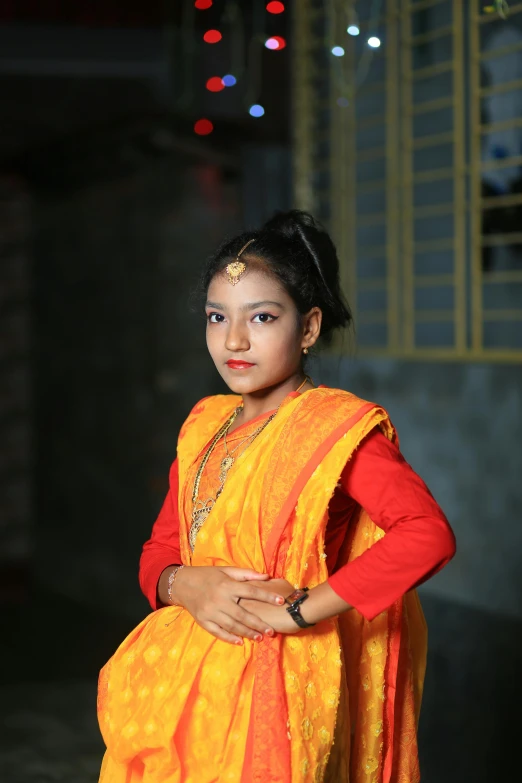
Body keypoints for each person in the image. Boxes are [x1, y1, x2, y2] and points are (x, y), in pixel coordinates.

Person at [97, 210, 456, 783]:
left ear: (309, 328)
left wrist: (297, 612)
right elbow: (160, 549)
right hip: (178, 690)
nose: (234, 340)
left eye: (262, 317)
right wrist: (182, 583)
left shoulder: (334, 430)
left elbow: (427, 534)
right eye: (218, 317)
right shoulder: (204, 424)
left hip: (278, 696)